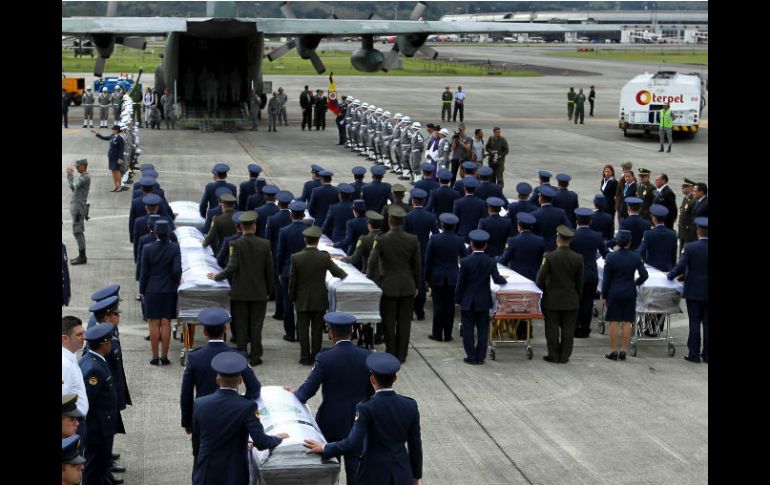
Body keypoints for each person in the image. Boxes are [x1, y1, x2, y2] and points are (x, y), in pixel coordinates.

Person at [303, 353, 422, 485]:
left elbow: (352, 443)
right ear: (395, 378)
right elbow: (415, 445)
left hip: (374, 475)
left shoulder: (366, 408)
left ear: (372, 379)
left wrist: (325, 448)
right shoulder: (410, 405)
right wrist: (416, 476)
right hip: (401, 474)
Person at [290, 312, 373, 485]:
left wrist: (292, 394)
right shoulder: (367, 356)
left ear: (331, 333)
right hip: (358, 422)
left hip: (331, 422)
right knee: (356, 472)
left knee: (328, 473)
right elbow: (371, 391)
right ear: (351, 331)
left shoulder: (325, 358)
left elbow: (307, 392)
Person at [191, 353, 288, 485]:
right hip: (232, 473)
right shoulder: (247, 406)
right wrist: (276, 438)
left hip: (206, 471)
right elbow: (261, 442)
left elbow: (197, 440)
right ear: (240, 381)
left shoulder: (200, 403)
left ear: (217, 380)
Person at [180, 308, 261, 434]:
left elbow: (186, 393)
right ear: (225, 329)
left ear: (205, 332)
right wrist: (241, 403)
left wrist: (187, 421)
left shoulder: (194, 357)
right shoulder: (237, 355)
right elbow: (254, 388)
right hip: (232, 414)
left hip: (203, 414)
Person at [208, 211, 273, 366]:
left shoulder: (235, 244)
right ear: (255, 226)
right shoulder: (265, 244)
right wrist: (269, 290)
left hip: (240, 292)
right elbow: (269, 270)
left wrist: (217, 276)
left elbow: (231, 267)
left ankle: (242, 352)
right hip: (259, 292)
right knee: (256, 325)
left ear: (240, 227)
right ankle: (256, 354)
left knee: (241, 325)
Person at [367, 205, 422, 363]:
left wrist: (374, 282)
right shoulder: (412, 239)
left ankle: (391, 351)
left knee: (389, 321)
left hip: (388, 286)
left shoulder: (381, 239)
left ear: (389, 221)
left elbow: (372, 263)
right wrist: (417, 285)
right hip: (407, 285)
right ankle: (402, 354)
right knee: (405, 322)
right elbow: (418, 265)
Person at [289, 225, 348, 364]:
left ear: (305, 240)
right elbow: (339, 273)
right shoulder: (324, 257)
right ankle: (316, 356)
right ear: (317, 241)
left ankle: (304, 357)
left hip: (302, 299)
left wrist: (293, 297)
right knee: (316, 329)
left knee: (302, 329)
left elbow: (292, 282)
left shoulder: (296, 258)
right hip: (319, 299)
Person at [456, 230, 507, 364]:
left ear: (472, 245)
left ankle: (471, 356)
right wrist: (504, 280)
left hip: (468, 301)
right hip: (484, 301)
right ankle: (480, 357)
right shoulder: (490, 261)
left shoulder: (465, 262)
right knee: (483, 331)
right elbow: (496, 279)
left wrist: (457, 300)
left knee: (468, 330)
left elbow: (460, 283)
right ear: (485, 246)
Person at [537, 226, 584, 364]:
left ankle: (553, 355)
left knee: (552, 328)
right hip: (571, 299)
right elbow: (580, 283)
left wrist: (544, 295)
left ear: (557, 239)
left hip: (552, 299)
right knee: (568, 329)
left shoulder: (549, 256)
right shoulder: (578, 258)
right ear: (570, 240)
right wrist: (577, 298)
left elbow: (541, 279)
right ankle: (564, 356)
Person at [79, 323, 118, 485]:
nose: (111, 345)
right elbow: (88, 399)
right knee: (93, 467)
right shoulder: (94, 368)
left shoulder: (91, 359)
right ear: (104, 345)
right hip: (99, 427)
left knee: (101, 467)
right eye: (109, 342)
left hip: (102, 425)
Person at [601, 230, 649, 361]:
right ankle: (623, 350)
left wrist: (604, 295)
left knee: (614, 322)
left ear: (617, 241)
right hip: (629, 291)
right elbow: (644, 275)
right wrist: (635, 282)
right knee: (627, 322)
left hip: (614, 293)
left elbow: (606, 280)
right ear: (629, 242)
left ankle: (613, 351)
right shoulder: (635, 256)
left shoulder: (610, 257)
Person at [139, 220, 182, 365]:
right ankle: (165, 356)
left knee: (153, 322)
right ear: (169, 233)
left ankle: (155, 356)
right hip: (169, 289)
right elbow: (176, 270)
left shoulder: (147, 248)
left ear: (155, 232)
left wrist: (142, 291)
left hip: (152, 289)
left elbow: (143, 273)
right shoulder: (175, 248)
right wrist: (176, 282)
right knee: (165, 322)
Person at [668, 217, 708, 363]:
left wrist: (670, 276)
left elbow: (680, 266)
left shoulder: (690, 248)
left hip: (694, 290)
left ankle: (694, 354)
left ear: (698, 231)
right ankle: (707, 354)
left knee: (695, 322)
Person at [424, 213, 465, 342]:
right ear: (454, 226)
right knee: (450, 307)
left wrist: (426, 278)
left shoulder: (435, 239)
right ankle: (447, 334)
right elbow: (464, 258)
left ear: (442, 225)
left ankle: (437, 334)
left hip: (437, 277)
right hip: (453, 277)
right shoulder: (459, 240)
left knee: (438, 306)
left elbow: (428, 260)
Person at [570, 209, 608, 338]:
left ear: (576, 221)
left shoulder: (572, 236)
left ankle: (574, 327)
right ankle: (584, 328)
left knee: (575, 302)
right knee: (588, 302)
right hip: (591, 273)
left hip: (574, 274)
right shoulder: (597, 236)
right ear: (590, 221)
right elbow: (605, 254)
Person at [403, 188, 439, 320]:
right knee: (421, 281)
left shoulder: (408, 217)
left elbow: (403, 235)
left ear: (413, 201)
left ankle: (410, 309)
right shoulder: (430, 216)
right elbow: (436, 235)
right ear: (424, 201)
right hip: (424, 252)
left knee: (410, 280)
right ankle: (420, 311)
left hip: (409, 253)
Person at [276, 201, 310, 342]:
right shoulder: (308, 229)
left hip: (287, 270)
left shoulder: (284, 231)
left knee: (287, 302)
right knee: (302, 303)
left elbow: (280, 253)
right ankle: (301, 332)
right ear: (303, 215)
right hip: (304, 271)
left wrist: (278, 271)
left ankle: (290, 333)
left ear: (291, 215)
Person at [498, 212, 545, 282]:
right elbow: (542, 259)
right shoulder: (540, 240)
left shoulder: (512, 241)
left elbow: (504, 260)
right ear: (531, 227)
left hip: (516, 278)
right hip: (533, 277)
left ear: (519, 226)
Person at [62, 316, 90, 424]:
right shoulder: (65, 365)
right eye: (79, 334)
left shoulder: (70, 355)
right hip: (72, 422)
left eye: (83, 333)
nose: (84, 337)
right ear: (65, 338)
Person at [638, 205, 677, 272]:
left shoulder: (648, 234)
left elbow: (642, 252)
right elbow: (673, 255)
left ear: (654, 218)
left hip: (651, 268)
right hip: (667, 268)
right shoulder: (672, 234)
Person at [66, 159, 91, 265]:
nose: (76, 168)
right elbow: (75, 189)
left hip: (78, 209)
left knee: (77, 232)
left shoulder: (84, 177)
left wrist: (70, 175)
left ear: (83, 166)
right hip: (78, 207)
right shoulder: (83, 177)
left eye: (78, 166)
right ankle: (82, 255)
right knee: (79, 232)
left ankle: (82, 256)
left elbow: (72, 186)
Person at [532, 185, 572, 252]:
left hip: (538, 247)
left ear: (540, 198)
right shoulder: (561, 212)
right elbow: (569, 228)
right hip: (554, 246)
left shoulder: (534, 214)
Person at [92, 125, 126, 192]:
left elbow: (121, 149)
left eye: (113, 129)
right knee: (113, 171)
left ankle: (119, 186)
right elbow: (104, 138)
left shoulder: (120, 138)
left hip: (116, 157)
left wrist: (120, 158)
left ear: (116, 130)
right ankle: (116, 186)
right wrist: (96, 133)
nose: (112, 130)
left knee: (117, 171)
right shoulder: (112, 136)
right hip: (111, 156)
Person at [453, 176, 487, 242]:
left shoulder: (458, 202)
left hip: (460, 234)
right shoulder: (481, 203)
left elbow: (455, 221)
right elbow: (483, 220)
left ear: (464, 188)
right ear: (475, 189)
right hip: (476, 236)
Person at [677, 178, 696, 254]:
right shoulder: (686, 199)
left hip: (688, 233)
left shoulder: (693, 200)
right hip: (683, 232)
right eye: (683, 186)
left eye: (685, 186)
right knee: (681, 253)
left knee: (686, 254)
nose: (682, 188)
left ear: (691, 188)